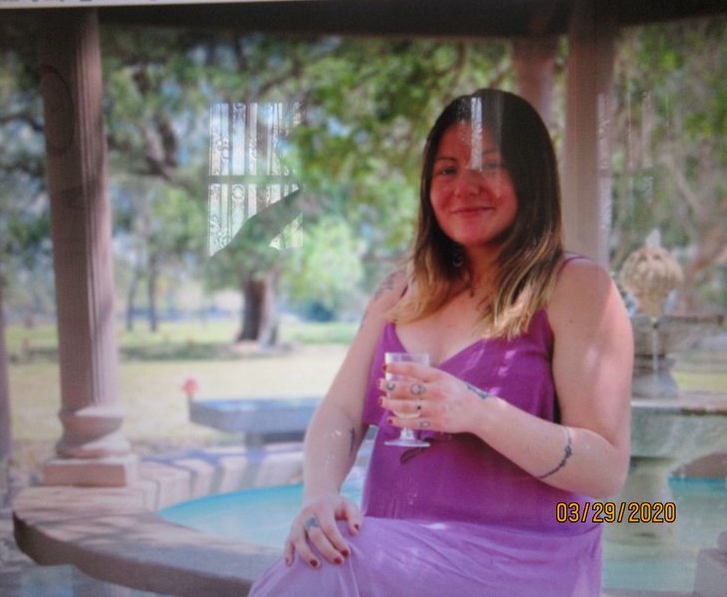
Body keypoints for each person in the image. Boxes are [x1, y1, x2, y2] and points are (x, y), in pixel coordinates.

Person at [249, 88, 633, 596]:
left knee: (322, 572)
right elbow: (341, 412)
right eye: (447, 170)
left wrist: (479, 411)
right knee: (319, 552)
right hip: (392, 548)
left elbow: (606, 471)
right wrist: (319, 497)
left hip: (520, 558)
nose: (464, 187)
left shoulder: (577, 287)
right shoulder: (400, 290)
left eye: (489, 165)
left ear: (531, 177)